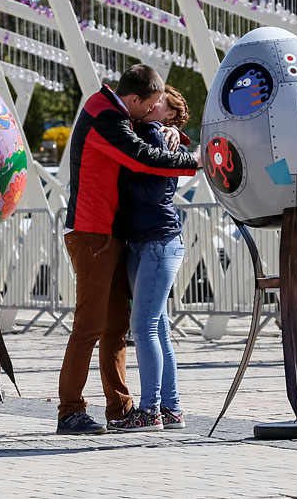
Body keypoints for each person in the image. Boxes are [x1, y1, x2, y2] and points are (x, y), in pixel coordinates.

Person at [57, 65, 199, 435]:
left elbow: (146, 140)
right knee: (89, 327)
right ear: (134, 100)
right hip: (92, 233)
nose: (153, 111)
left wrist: (173, 132)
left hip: (110, 234)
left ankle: (121, 409)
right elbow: (142, 157)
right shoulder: (105, 116)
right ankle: (70, 410)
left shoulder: (117, 113)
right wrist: (196, 161)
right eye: (152, 105)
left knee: (116, 329)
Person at [108, 86, 190, 432]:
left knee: (143, 327)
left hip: (157, 240)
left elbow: (154, 189)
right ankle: (170, 409)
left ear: (170, 114)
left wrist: (121, 181)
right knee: (157, 328)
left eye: (162, 103)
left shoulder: (155, 138)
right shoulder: (143, 133)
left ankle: (150, 410)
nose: (154, 103)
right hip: (148, 240)